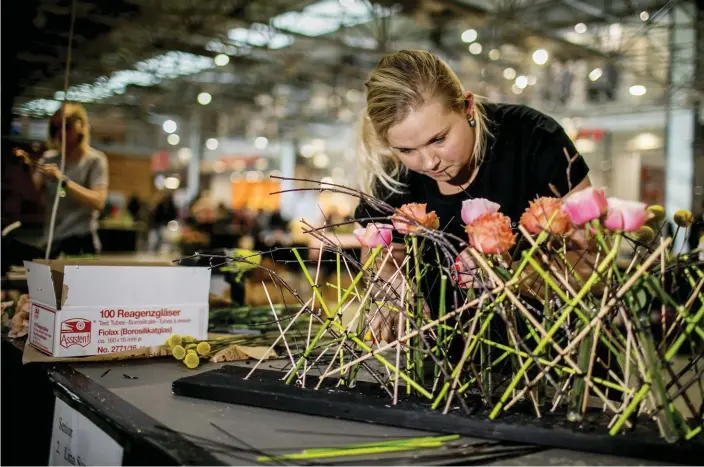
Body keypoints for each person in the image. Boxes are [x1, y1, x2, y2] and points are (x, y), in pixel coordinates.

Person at [354, 50, 592, 342]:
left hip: (552, 351)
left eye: (439, 139)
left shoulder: (532, 138)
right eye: (407, 150)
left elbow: (593, 257)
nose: (429, 162)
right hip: (441, 357)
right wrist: (389, 289)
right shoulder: (392, 174)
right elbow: (377, 256)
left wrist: (514, 277)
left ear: (467, 107)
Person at [14, 102, 109, 257]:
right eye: (55, 128)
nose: (60, 133)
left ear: (80, 127)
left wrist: (63, 181)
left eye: (66, 127)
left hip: (80, 241)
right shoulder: (49, 158)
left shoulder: (94, 160)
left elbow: (98, 201)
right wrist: (26, 170)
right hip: (52, 240)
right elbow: (31, 198)